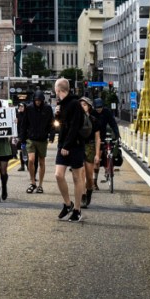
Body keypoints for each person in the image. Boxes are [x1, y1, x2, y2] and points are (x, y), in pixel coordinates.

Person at [53, 78, 86, 222]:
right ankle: (68, 204)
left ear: (58, 90)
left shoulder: (74, 104)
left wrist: (67, 145)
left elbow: (74, 127)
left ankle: (77, 209)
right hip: (63, 144)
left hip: (75, 145)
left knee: (76, 177)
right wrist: (57, 115)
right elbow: (62, 125)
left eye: (55, 89)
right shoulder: (62, 104)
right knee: (58, 175)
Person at [20, 90, 55, 194]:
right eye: (36, 100)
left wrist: (52, 134)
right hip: (31, 138)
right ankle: (32, 182)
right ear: (34, 100)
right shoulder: (29, 108)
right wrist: (22, 138)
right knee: (31, 160)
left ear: (42, 100)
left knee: (41, 161)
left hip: (42, 139)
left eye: (39, 100)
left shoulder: (48, 108)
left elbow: (51, 122)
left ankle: (40, 184)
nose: (38, 102)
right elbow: (24, 124)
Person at [78, 96, 100, 209]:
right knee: (80, 172)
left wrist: (97, 154)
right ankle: (82, 195)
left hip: (90, 146)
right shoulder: (76, 119)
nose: (82, 106)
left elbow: (97, 138)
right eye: (81, 104)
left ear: (89, 107)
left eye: (85, 104)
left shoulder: (94, 120)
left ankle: (89, 191)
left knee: (89, 177)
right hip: (79, 146)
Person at [93, 97, 121, 186]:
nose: (99, 109)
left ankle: (108, 167)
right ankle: (94, 181)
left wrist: (117, 135)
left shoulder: (107, 112)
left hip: (103, 135)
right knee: (96, 160)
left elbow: (113, 123)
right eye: (97, 108)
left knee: (109, 150)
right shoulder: (92, 113)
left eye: (100, 107)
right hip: (93, 136)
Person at [14, 102, 28, 171]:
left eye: (22, 106)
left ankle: (28, 165)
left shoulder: (27, 115)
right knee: (21, 150)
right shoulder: (17, 115)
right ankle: (22, 165)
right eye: (19, 107)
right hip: (20, 135)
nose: (21, 108)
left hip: (27, 136)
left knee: (26, 151)